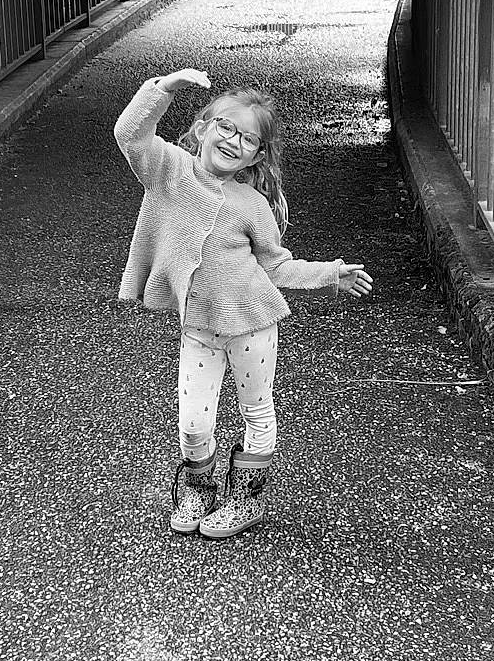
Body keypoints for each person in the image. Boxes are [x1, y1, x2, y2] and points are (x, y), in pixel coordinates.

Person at [114, 68, 373, 538]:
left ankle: (247, 498)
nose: (233, 141)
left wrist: (330, 275)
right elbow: (129, 135)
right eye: (225, 128)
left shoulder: (252, 204)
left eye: (248, 139)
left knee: (257, 410)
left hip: (253, 323)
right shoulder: (168, 170)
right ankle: (198, 488)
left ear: (257, 154)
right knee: (193, 421)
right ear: (202, 129)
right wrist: (162, 89)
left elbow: (275, 267)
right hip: (198, 326)